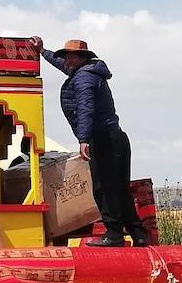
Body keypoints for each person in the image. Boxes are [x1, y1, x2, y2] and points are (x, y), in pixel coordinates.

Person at [35, 36, 147, 247]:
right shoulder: (88, 72)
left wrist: (83, 139)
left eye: (70, 56)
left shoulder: (83, 78)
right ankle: (139, 233)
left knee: (104, 187)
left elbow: (86, 108)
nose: (66, 60)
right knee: (119, 188)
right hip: (116, 137)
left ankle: (113, 234)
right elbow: (64, 67)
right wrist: (43, 51)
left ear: (80, 58)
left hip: (103, 139)